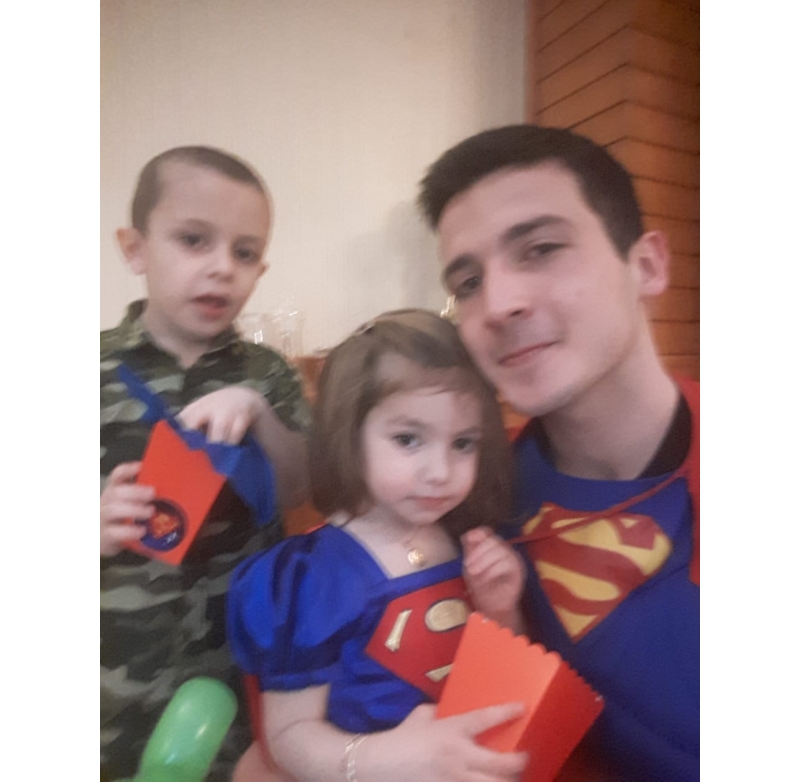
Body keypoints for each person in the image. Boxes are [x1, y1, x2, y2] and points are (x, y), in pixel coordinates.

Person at [417, 124, 700, 781]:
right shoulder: (471, 513)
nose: (498, 304)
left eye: (541, 249)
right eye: (468, 283)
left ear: (647, 265)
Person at [227, 309, 530, 782]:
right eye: (408, 439)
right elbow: (287, 738)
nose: (440, 472)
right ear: (349, 436)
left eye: (463, 443)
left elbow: (497, 675)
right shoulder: (311, 577)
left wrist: (502, 612)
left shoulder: (465, 537)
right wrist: (387, 760)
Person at [100, 146, 311, 782]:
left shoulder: (268, 373)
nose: (222, 267)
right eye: (194, 240)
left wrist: (258, 411)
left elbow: (304, 488)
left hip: (239, 680)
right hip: (113, 692)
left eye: (245, 253)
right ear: (135, 249)